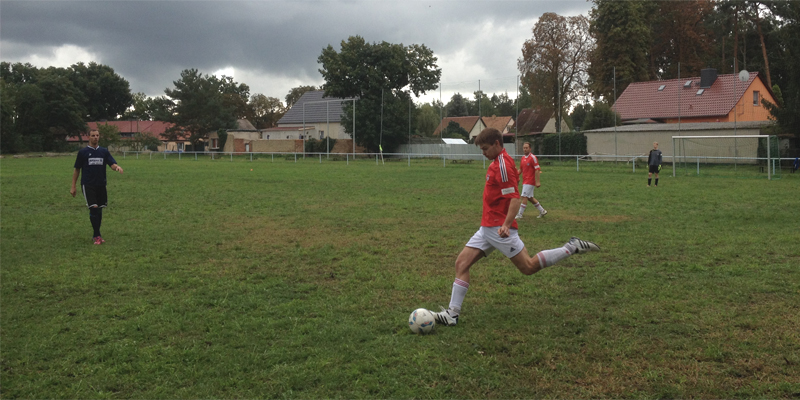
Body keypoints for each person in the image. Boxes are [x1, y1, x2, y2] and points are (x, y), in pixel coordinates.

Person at [432, 128, 599, 327]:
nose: (483, 153)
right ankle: (453, 314)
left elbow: (513, 198)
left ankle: (571, 247)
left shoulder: (502, 164)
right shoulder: (498, 162)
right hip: (487, 228)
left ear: (496, 143)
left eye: (485, 149)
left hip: (498, 229)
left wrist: (506, 224)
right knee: (461, 264)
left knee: (528, 267)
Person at [70, 129, 124, 244]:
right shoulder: (83, 152)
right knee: (93, 207)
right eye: (93, 135)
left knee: (99, 210)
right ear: (89, 137)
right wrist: (73, 186)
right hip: (88, 184)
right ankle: (97, 235)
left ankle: (97, 234)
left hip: (101, 184)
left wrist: (117, 167)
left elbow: (112, 164)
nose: (95, 137)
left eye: (97, 135)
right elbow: (77, 170)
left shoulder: (104, 151)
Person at [516, 142, 547, 219]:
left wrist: (538, 181)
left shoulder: (533, 157)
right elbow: (521, 169)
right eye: (524, 148)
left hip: (530, 181)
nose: (525, 149)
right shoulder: (523, 158)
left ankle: (520, 214)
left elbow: (537, 169)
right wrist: (514, 175)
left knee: (524, 196)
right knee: (530, 198)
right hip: (525, 181)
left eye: (526, 148)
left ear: (530, 149)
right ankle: (542, 211)